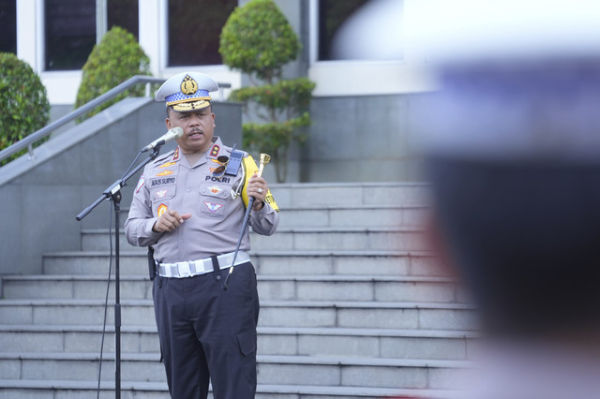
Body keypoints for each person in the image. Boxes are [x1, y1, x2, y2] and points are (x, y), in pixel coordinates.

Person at [124, 71, 279, 399]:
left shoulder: (241, 164)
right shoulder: (154, 169)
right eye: (184, 116)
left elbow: (268, 224)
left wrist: (260, 202)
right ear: (169, 124)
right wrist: (155, 226)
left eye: (200, 114)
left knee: (233, 385)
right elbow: (132, 228)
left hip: (224, 285)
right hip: (171, 290)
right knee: (183, 388)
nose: (194, 122)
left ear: (213, 119)